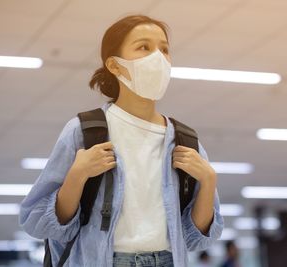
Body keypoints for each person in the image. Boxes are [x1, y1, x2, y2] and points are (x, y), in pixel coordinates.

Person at [18, 14, 223, 267]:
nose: (158, 57)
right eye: (144, 47)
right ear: (115, 66)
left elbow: (196, 240)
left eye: (165, 49)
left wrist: (208, 180)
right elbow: (37, 221)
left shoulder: (186, 140)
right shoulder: (84, 132)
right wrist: (77, 175)